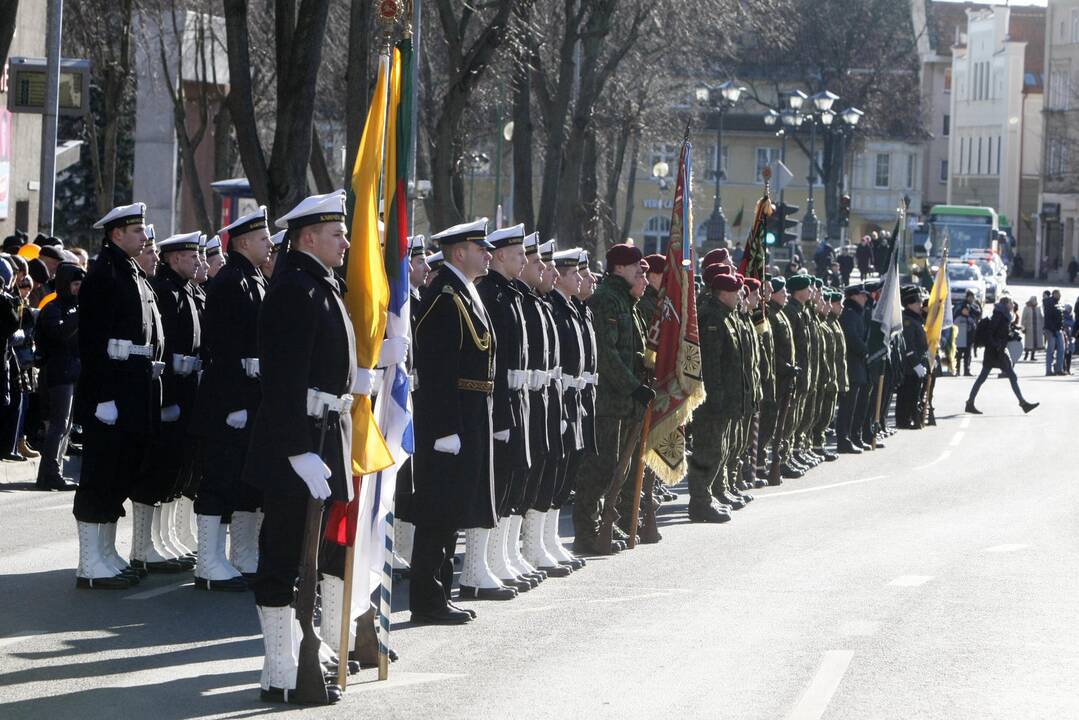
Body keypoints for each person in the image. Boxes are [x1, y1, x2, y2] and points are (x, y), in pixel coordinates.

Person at [243, 191, 359, 706]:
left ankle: (294, 655)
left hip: (323, 435)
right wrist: (296, 450)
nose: (346, 241)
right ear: (308, 237)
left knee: (314, 551)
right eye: (337, 234)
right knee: (284, 553)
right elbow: (283, 378)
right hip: (301, 440)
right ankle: (279, 664)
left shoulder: (318, 285)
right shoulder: (295, 288)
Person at [410, 218, 498, 625]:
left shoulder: (465, 292)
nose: (488, 254)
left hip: (470, 412)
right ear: (459, 252)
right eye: (480, 248)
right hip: (451, 419)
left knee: (451, 512)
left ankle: (439, 592)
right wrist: (445, 428)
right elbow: (437, 366)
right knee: (438, 512)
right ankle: (428, 599)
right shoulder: (445, 296)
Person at [72, 202, 163, 589]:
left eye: (142, 230)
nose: (144, 237)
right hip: (111, 391)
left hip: (131, 387)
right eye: (136, 231)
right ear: (116, 235)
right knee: (100, 473)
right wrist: (104, 396)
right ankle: (90, 562)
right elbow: (93, 344)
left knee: (120, 471)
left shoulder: (129, 272)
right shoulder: (105, 274)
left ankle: (106, 553)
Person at [191, 208, 272, 591]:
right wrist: (235, 403)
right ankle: (207, 562)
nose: (269, 244)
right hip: (231, 402)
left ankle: (241, 555)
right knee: (220, 480)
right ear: (242, 243)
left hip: (250, 399)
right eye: (262, 238)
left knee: (245, 482)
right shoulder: (229, 282)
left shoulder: (252, 279)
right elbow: (222, 349)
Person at [571, 243, 652, 552]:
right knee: (600, 467)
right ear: (619, 268)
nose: (640, 274)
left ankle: (605, 521)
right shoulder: (607, 300)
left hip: (623, 401)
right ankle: (586, 531)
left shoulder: (625, 301)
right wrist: (633, 385)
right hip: (606, 400)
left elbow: (631, 352)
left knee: (618, 466)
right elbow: (607, 355)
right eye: (636, 268)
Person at [966, 296, 1039, 415]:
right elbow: (990, 332)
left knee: (1002, 376)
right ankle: (1023, 403)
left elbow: (1003, 332)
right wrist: (996, 345)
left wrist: (1013, 335)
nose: (1013, 304)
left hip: (998, 351)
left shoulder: (1004, 315)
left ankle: (970, 403)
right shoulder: (998, 315)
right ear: (1006, 304)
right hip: (994, 351)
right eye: (1011, 302)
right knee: (989, 377)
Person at [836, 283, 869, 453]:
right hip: (850, 366)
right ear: (853, 296)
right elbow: (851, 338)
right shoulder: (849, 314)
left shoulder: (856, 314)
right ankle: (843, 440)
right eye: (862, 295)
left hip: (856, 366)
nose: (865, 298)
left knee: (853, 406)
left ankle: (850, 437)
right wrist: (865, 350)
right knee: (847, 407)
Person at [895, 285, 929, 429]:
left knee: (914, 393)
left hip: (917, 364)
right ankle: (904, 419)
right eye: (917, 303)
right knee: (907, 394)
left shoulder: (916, 319)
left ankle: (911, 418)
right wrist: (915, 364)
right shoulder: (908, 320)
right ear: (909, 304)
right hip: (910, 366)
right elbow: (909, 345)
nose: (920, 305)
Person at [1043, 289, 1065, 375]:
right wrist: (1053, 330)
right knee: (1050, 350)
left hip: (1059, 329)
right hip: (1050, 330)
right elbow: (1048, 318)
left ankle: (1059, 369)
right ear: (1054, 294)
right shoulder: (1049, 303)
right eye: (1058, 294)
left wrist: (1061, 327)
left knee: (1061, 349)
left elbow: (1061, 316)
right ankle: (1049, 371)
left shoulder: (1058, 302)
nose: (1060, 296)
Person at [954, 302, 977, 376]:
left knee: (967, 357)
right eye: (964, 310)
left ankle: (966, 371)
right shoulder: (958, 319)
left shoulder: (971, 319)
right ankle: (957, 370)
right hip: (959, 341)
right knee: (958, 357)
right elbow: (954, 328)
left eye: (967, 310)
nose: (965, 311)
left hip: (968, 341)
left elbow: (974, 329)